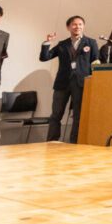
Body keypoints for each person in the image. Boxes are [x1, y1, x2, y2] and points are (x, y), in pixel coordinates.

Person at [40, 15, 99, 143]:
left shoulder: (91, 42)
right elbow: (45, 57)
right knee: (56, 114)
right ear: (68, 27)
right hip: (62, 82)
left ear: (83, 26)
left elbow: (96, 61)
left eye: (80, 24)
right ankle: (52, 141)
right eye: (74, 24)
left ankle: (74, 142)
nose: (77, 27)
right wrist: (47, 42)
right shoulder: (63, 44)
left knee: (78, 115)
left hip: (81, 83)